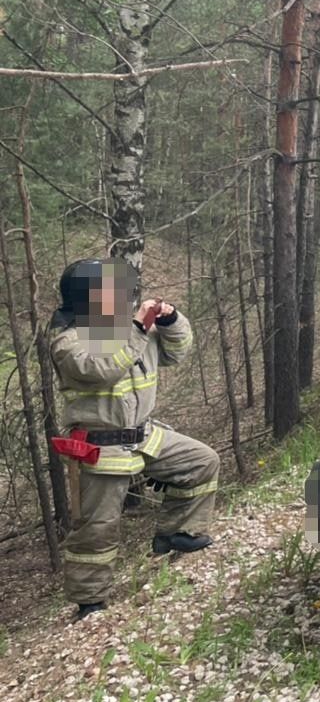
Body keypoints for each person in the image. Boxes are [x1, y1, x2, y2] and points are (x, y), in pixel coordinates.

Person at [51, 259, 219, 622]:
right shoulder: (68, 341)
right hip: (101, 446)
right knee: (97, 529)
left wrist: (171, 320)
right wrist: (136, 328)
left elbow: (177, 350)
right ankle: (89, 602)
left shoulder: (128, 329)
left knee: (202, 462)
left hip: (145, 436)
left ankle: (177, 533)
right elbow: (102, 368)